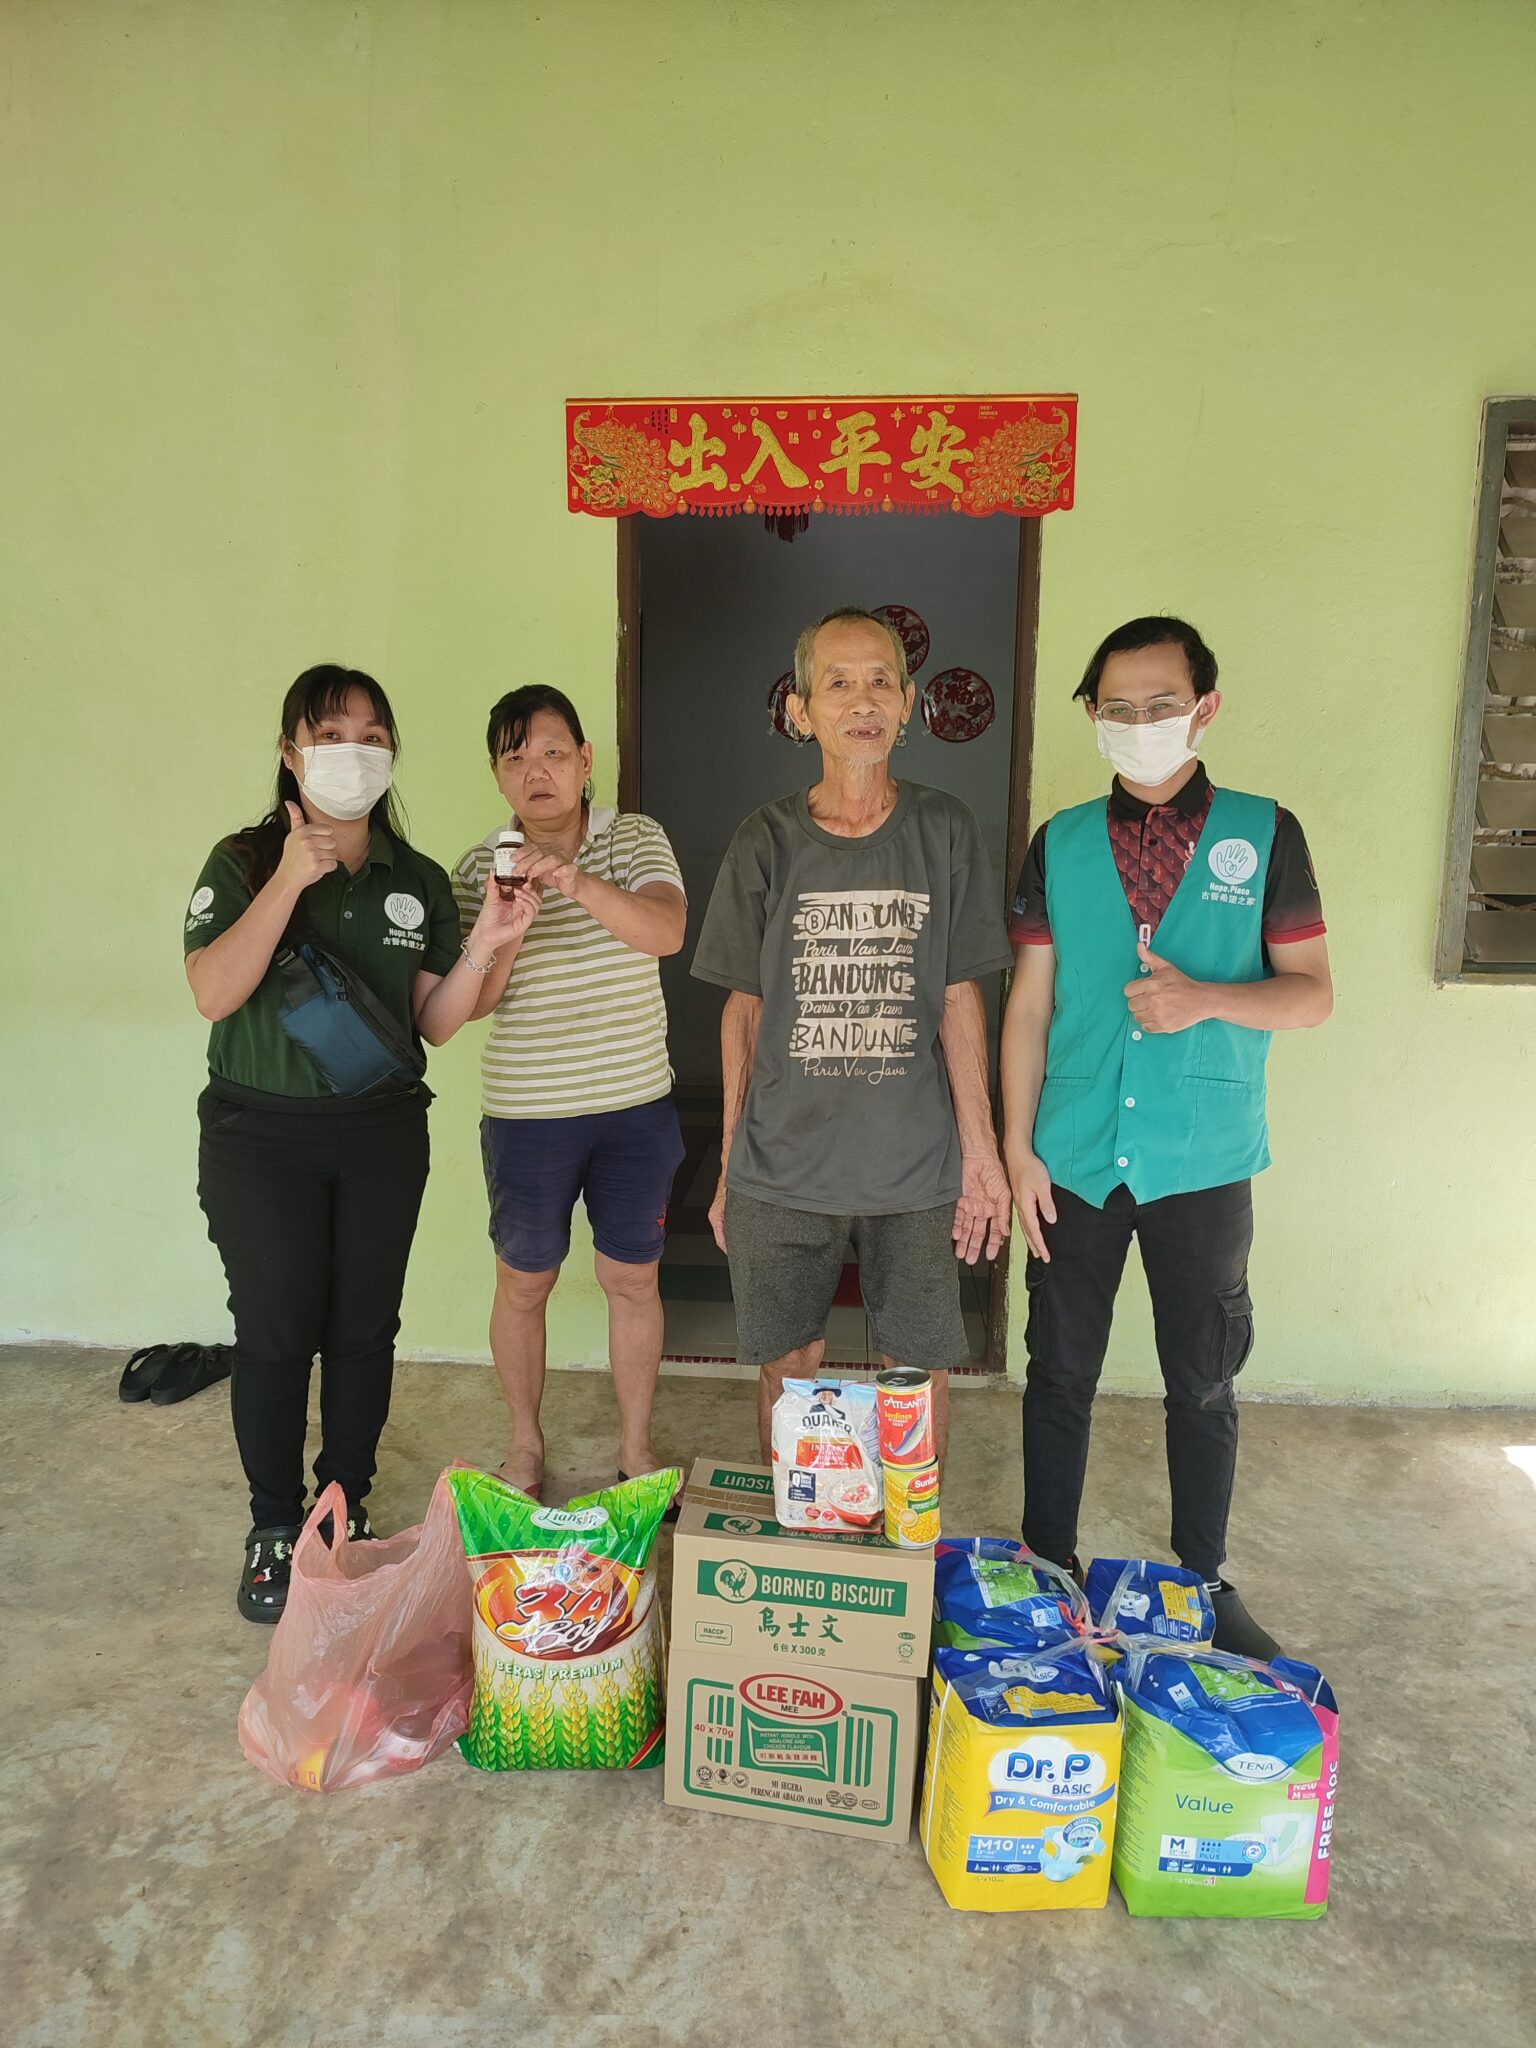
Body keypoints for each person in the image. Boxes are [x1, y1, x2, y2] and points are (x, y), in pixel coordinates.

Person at [1000, 616, 1332, 1659]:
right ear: (1093, 716)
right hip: (1075, 1152)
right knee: (1060, 1367)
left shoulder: (1265, 833)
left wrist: (1208, 998)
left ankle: (1203, 1575)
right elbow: (1028, 1005)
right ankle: (1047, 1561)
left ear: (1204, 707)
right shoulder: (1059, 842)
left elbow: (1313, 995)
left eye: (1160, 704)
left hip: (1205, 1155)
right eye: (1118, 707)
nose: (1139, 722)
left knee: (1203, 1375)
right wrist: (1016, 1148)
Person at [186, 664, 526, 1622]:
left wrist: (492, 940)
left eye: (372, 737)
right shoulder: (242, 860)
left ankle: (341, 1502)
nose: (354, 753)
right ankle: (272, 1523)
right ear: (291, 753)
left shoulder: (413, 878)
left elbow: (436, 1021)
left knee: (365, 1329)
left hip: (380, 1133)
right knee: (275, 1328)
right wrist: (290, 878)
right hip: (259, 1135)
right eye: (330, 735)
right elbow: (213, 992)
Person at [692, 606, 1014, 1463]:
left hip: (914, 1164)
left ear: (907, 703)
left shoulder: (944, 829)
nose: (862, 700)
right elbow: (744, 1010)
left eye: (880, 681)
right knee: (788, 1365)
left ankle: (908, 1537)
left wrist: (980, 1154)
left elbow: (960, 996)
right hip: (781, 1164)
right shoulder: (765, 841)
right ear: (800, 711)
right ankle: (805, 1526)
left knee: (917, 1373)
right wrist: (728, 1164)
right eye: (837, 683)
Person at [450, 685, 688, 1499]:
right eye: (515, 757)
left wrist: (574, 881)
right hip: (526, 1115)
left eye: (553, 752)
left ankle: (635, 1448)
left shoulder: (633, 838)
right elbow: (473, 1004)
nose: (536, 771)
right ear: (497, 774)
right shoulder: (479, 867)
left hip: (635, 1108)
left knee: (633, 1280)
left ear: (586, 761)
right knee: (524, 1282)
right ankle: (524, 1447)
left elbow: (665, 929)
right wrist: (505, 926)